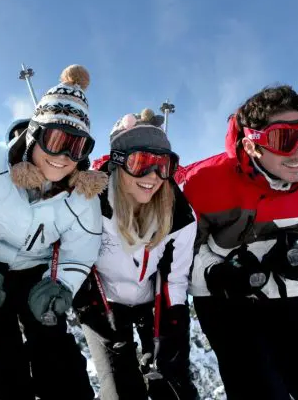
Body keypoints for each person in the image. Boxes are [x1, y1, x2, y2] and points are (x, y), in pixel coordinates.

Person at [182, 85, 298, 399]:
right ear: (252, 145)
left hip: (290, 293)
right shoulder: (202, 183)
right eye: (283, 140)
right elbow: (177, 250)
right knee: (260, 386)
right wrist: (217, 273)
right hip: (225, 301)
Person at [0, 65, 107, 400]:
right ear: (35, 134)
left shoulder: (82, 193)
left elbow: (81, 249)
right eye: (56, 140)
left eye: (77, 147)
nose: (64, 157)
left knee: (54, 347)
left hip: (38, 275)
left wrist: (61, 285)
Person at [75, 108, 200, 400]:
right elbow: (77, 260)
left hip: (150, 303)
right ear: (118, 163)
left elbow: (175, 280)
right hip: (104, 302)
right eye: (141, 163)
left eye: (163, 166)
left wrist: (170, 336)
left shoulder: (179, 215)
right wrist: (100, 319)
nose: (153, 177)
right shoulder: (93, 203)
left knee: (171, 384)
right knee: (119, 387)